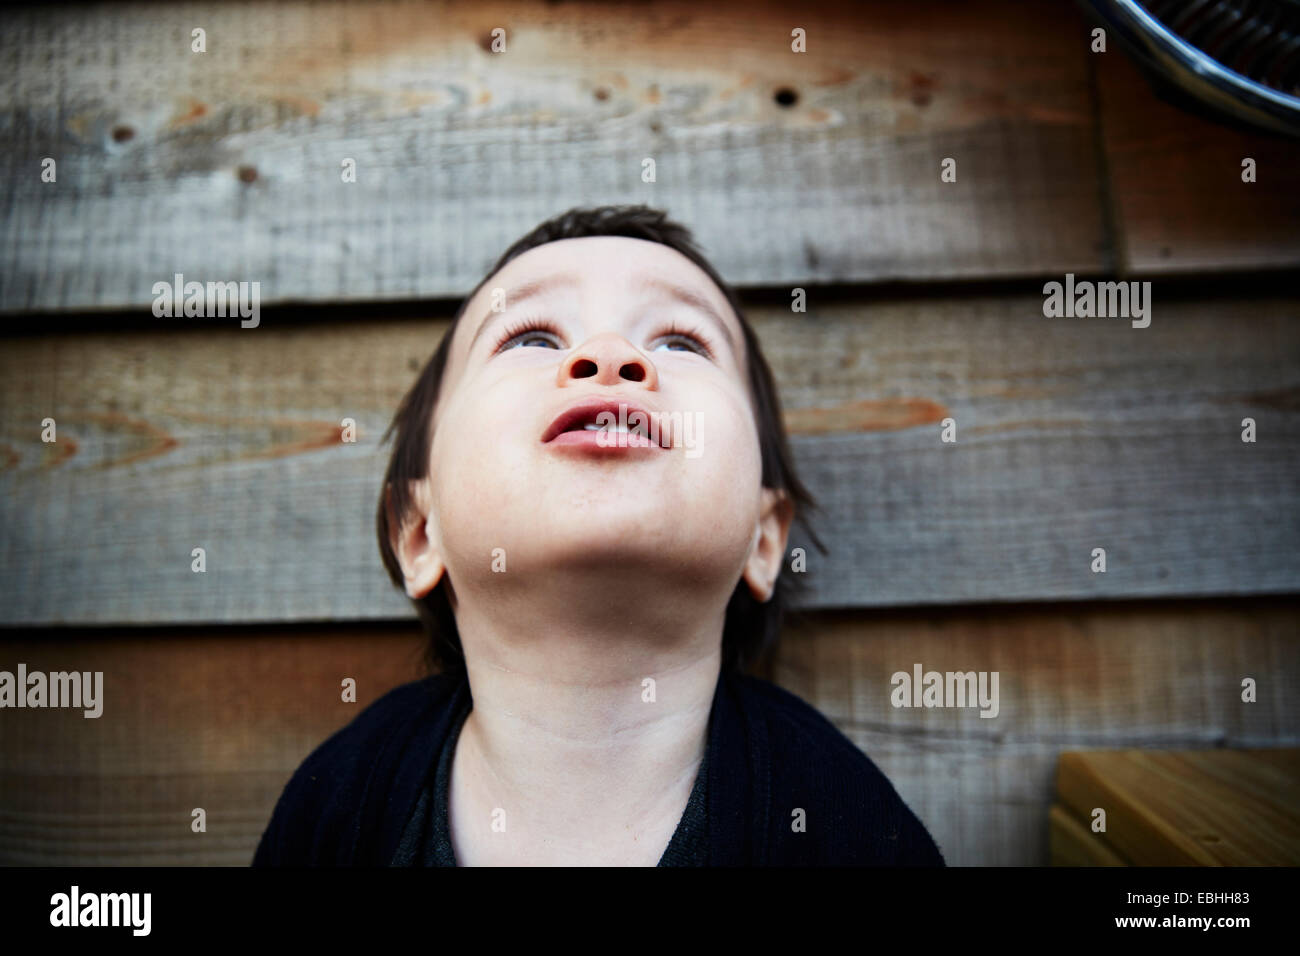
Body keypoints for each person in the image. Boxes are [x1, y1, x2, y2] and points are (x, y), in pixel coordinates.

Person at [252, 205, 945, 867]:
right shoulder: (338, 807)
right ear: (419, 532)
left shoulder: (846, 826)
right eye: (530, 338)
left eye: (680, 341)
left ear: (764, 539)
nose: (609, 356)